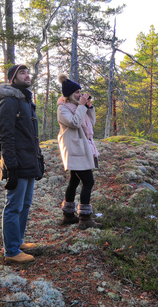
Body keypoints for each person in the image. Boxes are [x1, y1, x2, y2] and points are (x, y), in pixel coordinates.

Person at [0, 64, 43, 263]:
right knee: (13, 206)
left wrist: (38, 160)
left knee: (25, 204)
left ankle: (18, 241)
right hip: (17, 163)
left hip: (28, 162)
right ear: (12, 79)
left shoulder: (25, 101)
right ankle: (12, 251)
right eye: (22, 73)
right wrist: (11, 167)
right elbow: (6, 137)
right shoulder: (9, 102)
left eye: (27, 72)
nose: (27, 75)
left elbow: (30, 136)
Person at [56, 73, 103, 230]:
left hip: (81, 149)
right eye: (76, 92)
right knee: (88, 181)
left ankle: (69, 215)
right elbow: (75, 123)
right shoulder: (63, 109)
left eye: (80, 92)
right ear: (69, 95)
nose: (79, 94)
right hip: (75, 150)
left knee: (74, 181)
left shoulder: (78, 107)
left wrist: (88, 106)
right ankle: (85, 218)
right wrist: (82, 106)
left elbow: (91, 123)